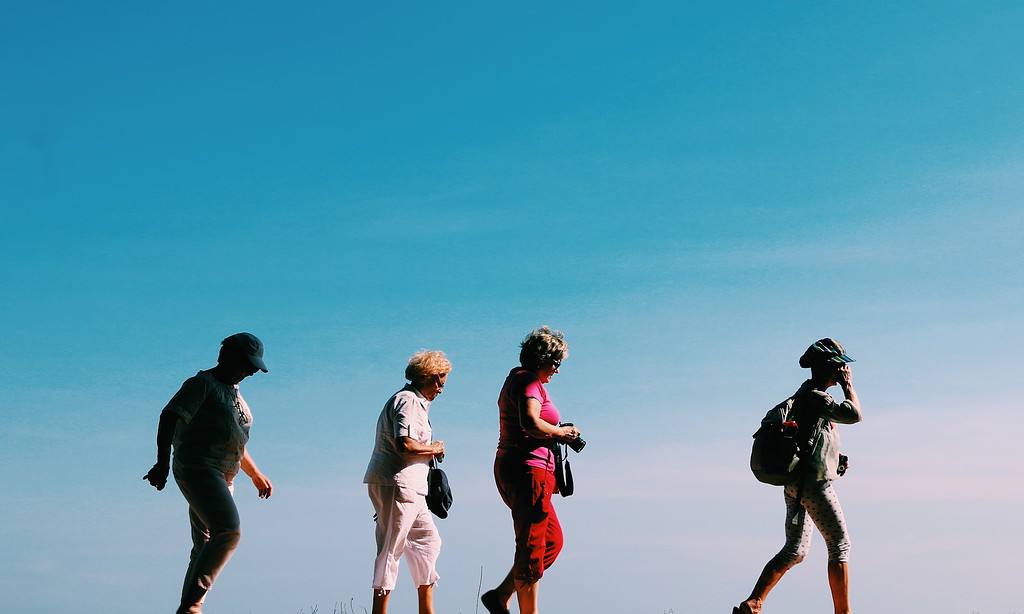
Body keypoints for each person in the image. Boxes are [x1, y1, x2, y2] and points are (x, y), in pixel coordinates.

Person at [143, 332, 275, 614]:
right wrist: (161, 463)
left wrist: (255, 474)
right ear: (228, 358)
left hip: (225, 474)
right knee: (228, 530)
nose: (252, 371)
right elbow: (169, 416)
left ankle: (189, 606)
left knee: (204, 544)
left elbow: (235, 439)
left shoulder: (236, 394)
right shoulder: (201, 384)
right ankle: (192, 605)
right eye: (248, 364)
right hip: (198, 467)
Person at [734, 338, 863, 614]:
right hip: (814, 485)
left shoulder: (807, 398)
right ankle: (844, 612)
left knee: (795, 549)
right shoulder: (816, 397)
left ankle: (754, 603)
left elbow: (814, 439)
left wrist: (835, 459)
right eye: (839, 366)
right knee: (840, 545)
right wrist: (848, 387)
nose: (843, 370)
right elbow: (853, 415)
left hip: (796, 484)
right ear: (828, 367)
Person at [481, 326, 582, 614]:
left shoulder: (517, 379)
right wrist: (561, 434)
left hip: (525, 469)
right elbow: (530, 422)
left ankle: (500, 596)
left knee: (550, 541)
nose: (557, 370)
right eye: (556, 363)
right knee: (532, 546)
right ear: (542, 358)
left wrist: (555, 433)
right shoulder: (528, 382)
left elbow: (531, 424)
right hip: (528, 471)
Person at [363, 350, 452, 614]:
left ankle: (426, 609)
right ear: (431, 378)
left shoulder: (410, 401)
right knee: (391, 548)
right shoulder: (409, 402)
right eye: (441, 382)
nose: (441, 389)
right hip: (399, 484)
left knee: (428, 540)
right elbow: (406, 444)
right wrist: (434, 448)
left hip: (410, 486)